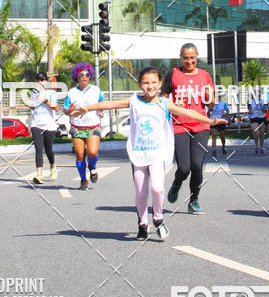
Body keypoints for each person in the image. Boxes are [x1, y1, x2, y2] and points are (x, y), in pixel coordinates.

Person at [74, 66, 226, 240]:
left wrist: (211, 121)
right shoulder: (133, 101)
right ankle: (143, 223)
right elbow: (108, 104)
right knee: (141, 192)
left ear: (160, 84)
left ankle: (159, 218)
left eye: (154, 82)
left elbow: (188, 112)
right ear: (140, 85)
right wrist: (88, 107)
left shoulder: (164, 104)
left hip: (157, 153)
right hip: (138, 154)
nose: (150, 86)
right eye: (146, 83)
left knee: (157, 188)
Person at [161, 43, 217, 215]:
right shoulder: (174, 74)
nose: (189, 61)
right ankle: (177, 183)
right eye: (186, 57)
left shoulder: (205, 76)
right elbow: (163, 98)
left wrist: (210, 99)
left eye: (192, 57)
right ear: (181, 57)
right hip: (179, 125)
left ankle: (194, 201)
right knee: (184, 168)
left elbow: (211, 104)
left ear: (197, 57)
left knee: (197, 166)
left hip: (200, 125)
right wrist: (172, 104)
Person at [63, 62, 104, 190]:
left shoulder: (95, 90)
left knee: (92, 152)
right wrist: (69, 110)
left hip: (93, 126)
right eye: (81, 75)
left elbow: (102, 103)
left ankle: (92, 166)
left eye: (87, 74)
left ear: (89, 76)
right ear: (77, 77)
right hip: (77, 127)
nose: (84, 77)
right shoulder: (71, 92)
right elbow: (65, 110)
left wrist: (100, 111)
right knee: (80, 154)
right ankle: (83, 179)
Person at [28, 72, 59, 184]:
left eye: (42, 80)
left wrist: (45, 100)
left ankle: (52, 166)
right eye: (38, 80)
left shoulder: (51, 93)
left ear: (46, 81)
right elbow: (32, 107)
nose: (40, 82)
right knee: (39, 150)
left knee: (48, 149)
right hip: (36, 124)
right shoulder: (34, 93)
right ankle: (39, 175)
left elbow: (56, 108)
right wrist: (31, 102)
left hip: (49, 125)